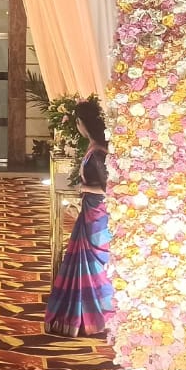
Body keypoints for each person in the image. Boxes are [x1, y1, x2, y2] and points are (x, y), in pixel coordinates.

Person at [44, 100, 114, 337]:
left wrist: (83, 188)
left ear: (83, 123)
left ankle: (100, 314)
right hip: (90, 211)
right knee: (87, 261)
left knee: (94, 262)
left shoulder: (98, 153)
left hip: (97, 213)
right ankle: (85, 314)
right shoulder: (93, 148)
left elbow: (107, 188)